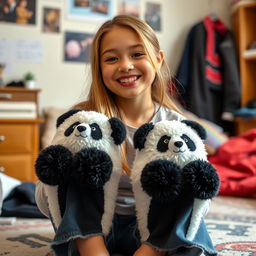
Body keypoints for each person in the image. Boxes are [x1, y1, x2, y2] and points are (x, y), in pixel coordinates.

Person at [35, 15, 215, 256]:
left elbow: (201, 200)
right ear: (99, 68)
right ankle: (92, 249)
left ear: (158, 59)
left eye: (137, 54)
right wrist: (62, 169)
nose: (126, 65)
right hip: (96, 229)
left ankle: (152, 251)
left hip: (153, 233)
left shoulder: (178, 125)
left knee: (186, 173)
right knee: (80, 151)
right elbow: (46, 196)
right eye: (111, 58)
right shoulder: (81, 120)